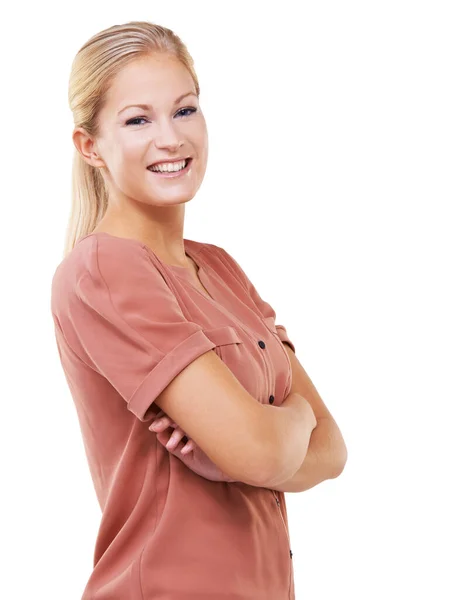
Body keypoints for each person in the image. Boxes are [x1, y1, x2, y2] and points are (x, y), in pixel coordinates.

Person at [51, 20, 347, 600]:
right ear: (91, 147)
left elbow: (333, 450)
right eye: (138, 119)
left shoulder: (221, 268)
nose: (171, 139)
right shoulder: (105, 271)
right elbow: (265, 452)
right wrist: (287, 425)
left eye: (185, 110)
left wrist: (256, 447)